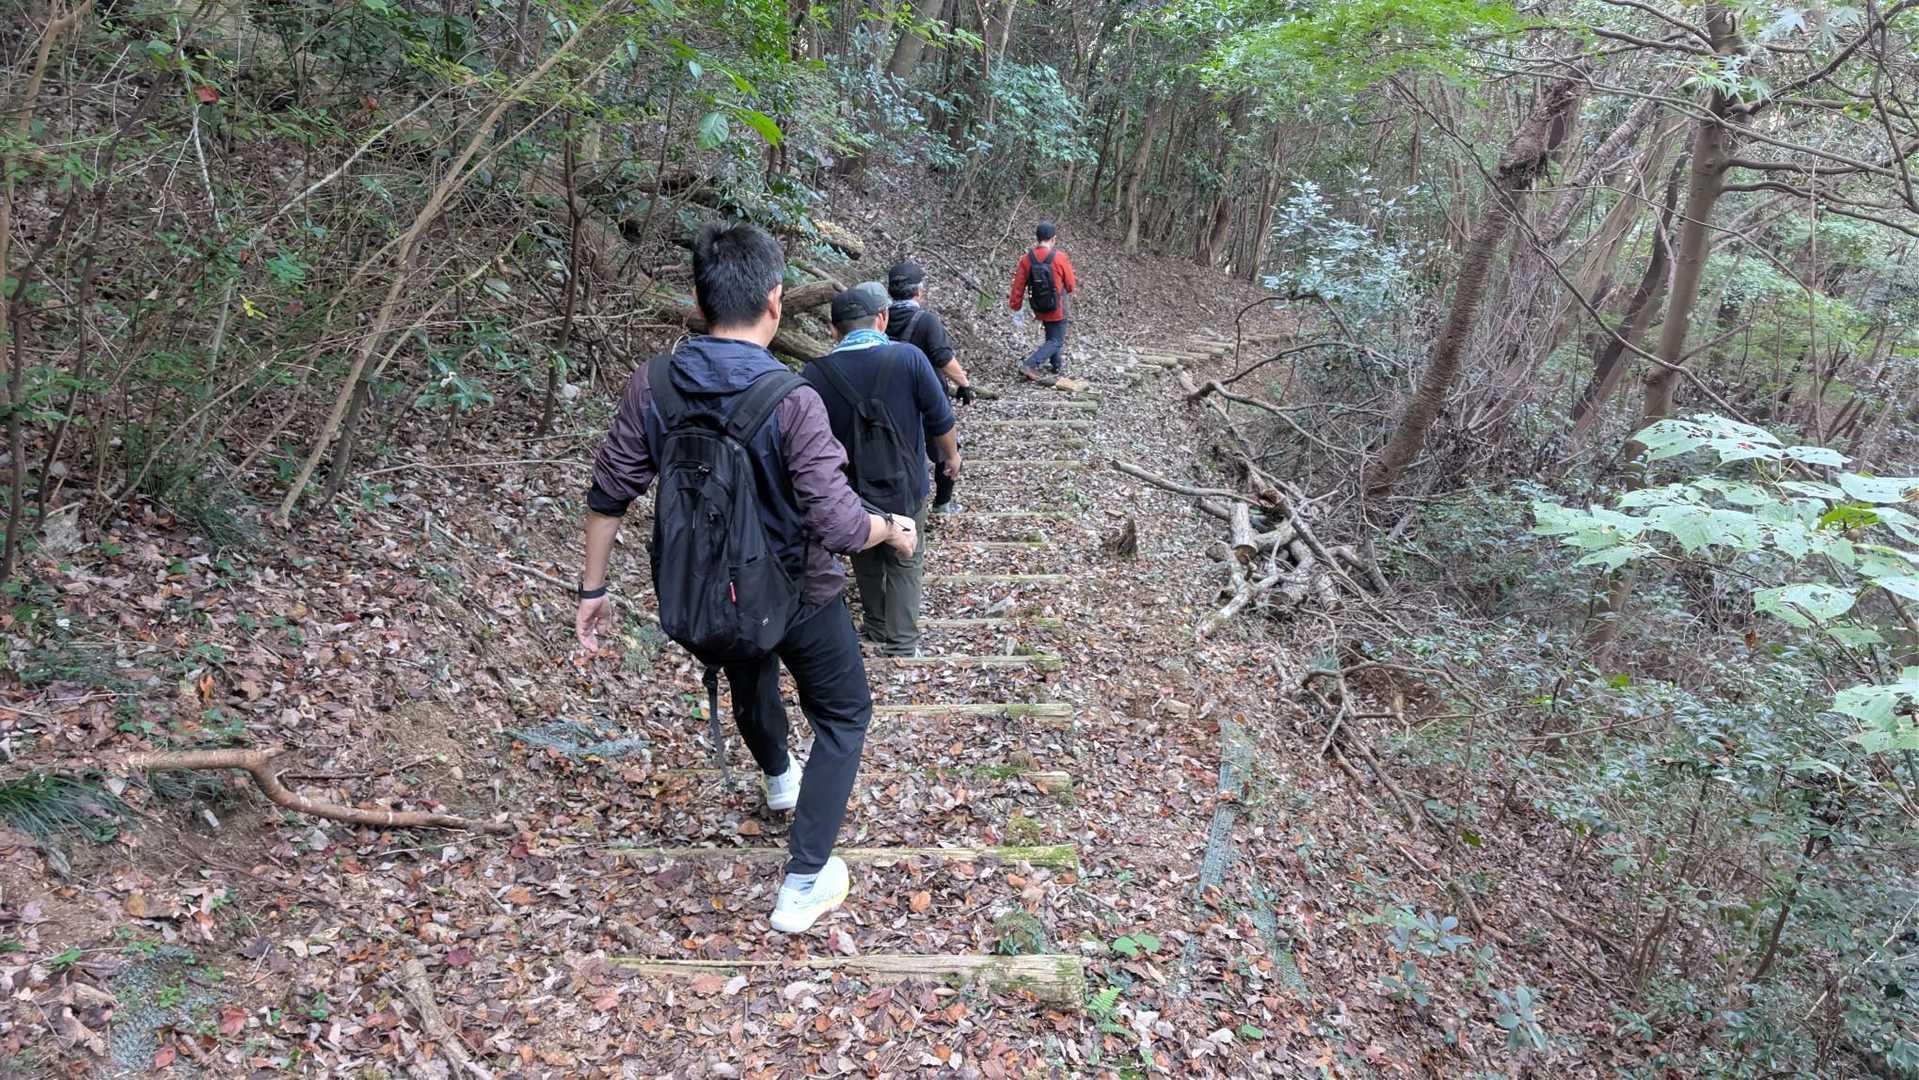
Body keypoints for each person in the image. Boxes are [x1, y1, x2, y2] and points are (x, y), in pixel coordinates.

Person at [576, 223, 920, 935]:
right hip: (801, 593)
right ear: (774, 300)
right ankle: (804, 882)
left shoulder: (655, 383)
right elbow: (839, 525)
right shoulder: (792, 399)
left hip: (708, 589)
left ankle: (780, 780)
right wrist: (891, 527)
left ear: (700, 302)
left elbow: (609, 492)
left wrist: (593, 591)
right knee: (844, 714)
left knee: (747, 666)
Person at [803, 282, 960, 657]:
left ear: (833, 329)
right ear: (883, 318)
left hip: (851, 486)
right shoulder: (909, 359)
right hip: (907, 482)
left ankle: (875, 626)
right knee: (907, 557)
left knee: (866, 553)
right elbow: (941, 419)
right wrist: (950, 457)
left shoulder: (815, 374)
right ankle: (903, 644)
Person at [884, 260, 974, 514]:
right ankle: (942, 503)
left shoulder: (881, 318)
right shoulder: (926, 321)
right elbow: (943, 358)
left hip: (889, 396)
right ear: (918, 291)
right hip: (926, 396)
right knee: (946, 447)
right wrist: (964, 384)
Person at [1007, 221, 1078, 382]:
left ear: (1037, 238)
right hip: (1057, 306)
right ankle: (1030, 364)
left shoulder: (1027, 259)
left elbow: (1019, 284)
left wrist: (1015, 303)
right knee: (1056, 340)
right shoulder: (1059, 257)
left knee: (1052, 336)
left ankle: (1056, 364)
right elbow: (1070, 285)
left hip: (1039, 305)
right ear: (1053, 239)